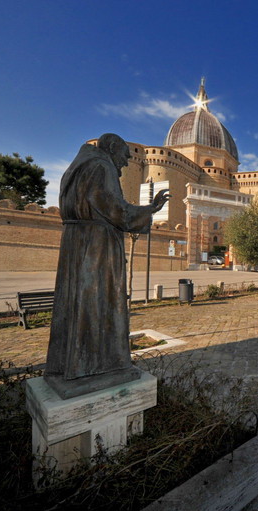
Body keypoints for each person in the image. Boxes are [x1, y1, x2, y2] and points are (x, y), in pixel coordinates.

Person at [44, 133, 170, 399]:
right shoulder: (101, 167)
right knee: (98, 302)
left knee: (76, 301)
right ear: (112, 149)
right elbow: (117, 211)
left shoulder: (79, 167)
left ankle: (70, 364)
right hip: (97, 246)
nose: (125, 164)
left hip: (78, 243)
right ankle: (99, 365)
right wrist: (152, 209)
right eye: (124, 158)